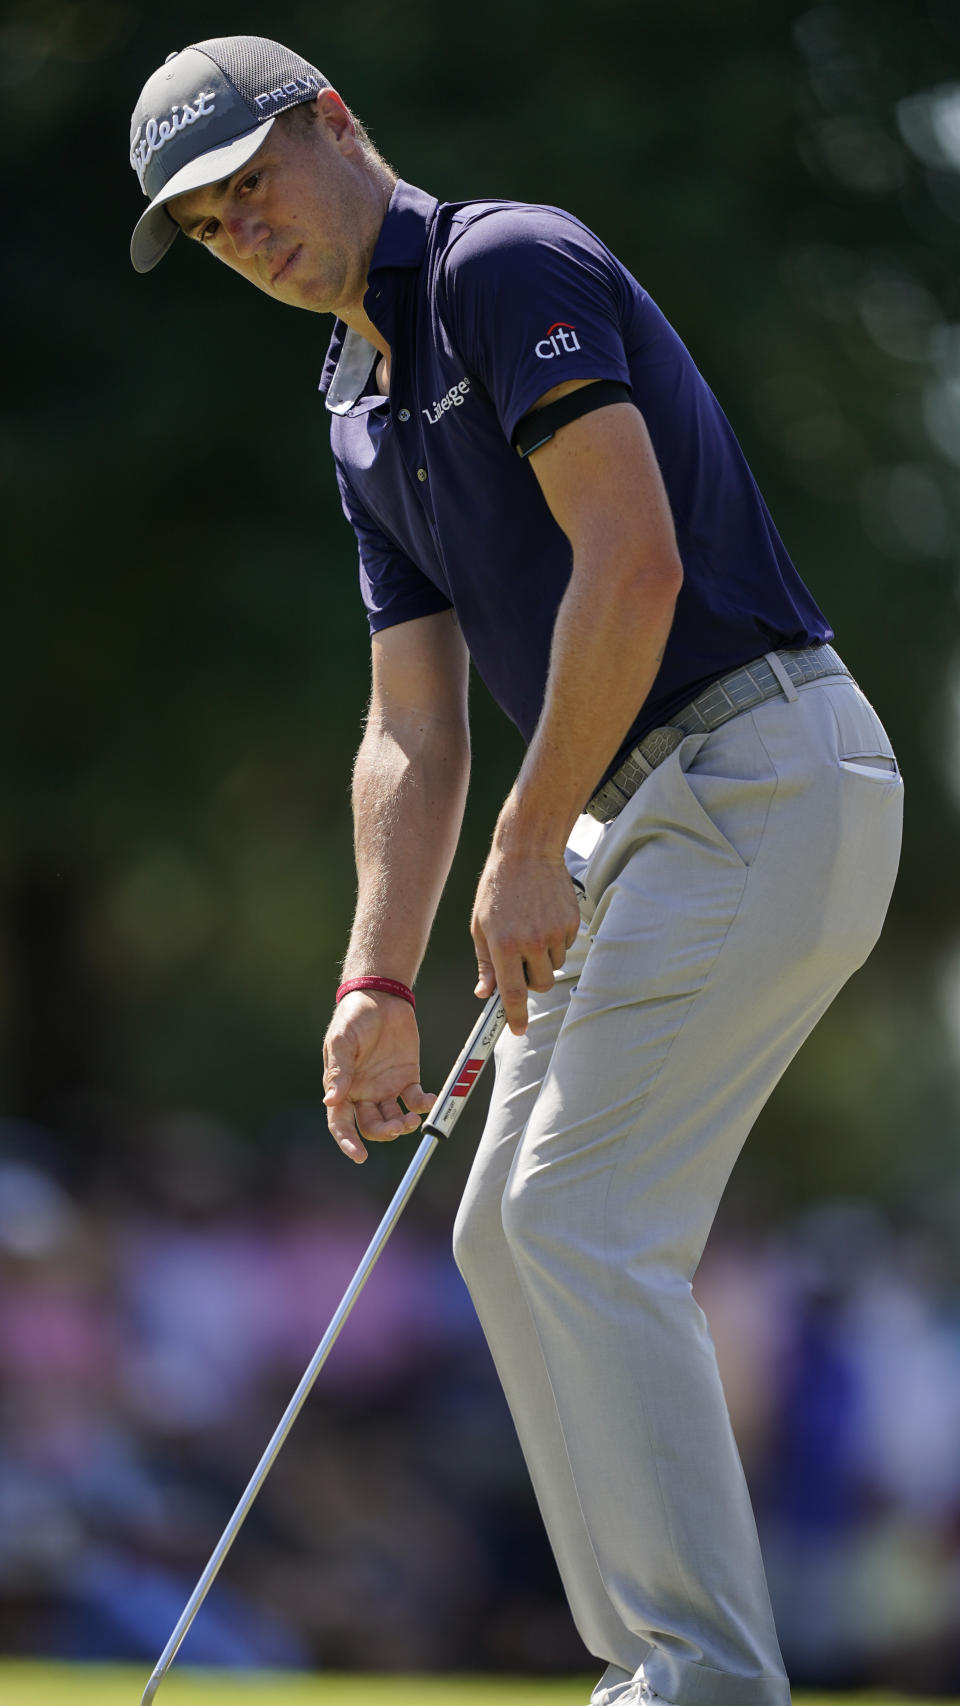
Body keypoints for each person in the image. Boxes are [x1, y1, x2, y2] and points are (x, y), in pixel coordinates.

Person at [128, 34, 904, 1706]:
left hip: (769, 764)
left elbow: (632, 566)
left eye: (251, 182)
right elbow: (410, 722)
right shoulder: (349, 398)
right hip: (647, 809)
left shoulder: (504, 264)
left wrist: (533, 840)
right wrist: (373, 978)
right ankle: (656, 1663)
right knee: (503, 1230)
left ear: (335, 123)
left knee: (577, 1215)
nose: (242, 231)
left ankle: (705, 1676)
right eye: (205, 225)